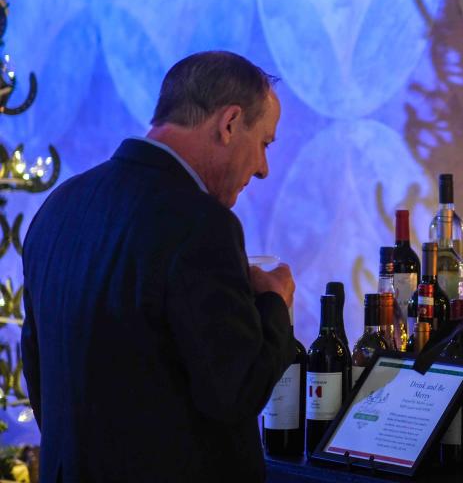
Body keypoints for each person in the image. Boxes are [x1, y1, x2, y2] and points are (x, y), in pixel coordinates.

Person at [21, 51, 296, 482]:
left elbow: (38, 370)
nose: (262, 168)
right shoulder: (202, 225)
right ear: (228, 124)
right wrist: (274, 303)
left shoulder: (58, 207)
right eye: (264, 143)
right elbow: (236, 391)